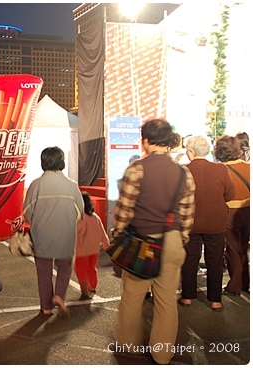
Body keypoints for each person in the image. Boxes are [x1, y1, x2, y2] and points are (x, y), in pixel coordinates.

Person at [111, 118, 195, 365]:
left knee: (132, 298)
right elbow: (188, 215)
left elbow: (124, 212)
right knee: (166, 301)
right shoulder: (184, 173)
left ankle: (128, 347)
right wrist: (180, 239)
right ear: (169, 142)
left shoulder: (136, 169)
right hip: (171, 242)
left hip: (140, 243)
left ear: (145, 141)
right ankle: (161, 353)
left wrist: (119, 235)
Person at [23, 146, 84, 316]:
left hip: (42, 236)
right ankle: (59, 296)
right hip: (66, 235)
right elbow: (80, 211)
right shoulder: (71, 185)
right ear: (62, 161)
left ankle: (46, 307)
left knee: (44, 271)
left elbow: (27, 211)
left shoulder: (36, 185)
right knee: (65, 267)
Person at [179, 136, 235, 311]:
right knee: (215, 260)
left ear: (190, 152)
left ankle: (188, 296)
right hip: (215, 223)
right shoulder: (221, 170)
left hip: (190, 223)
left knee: (189, 258)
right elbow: (230, 194)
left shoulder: (183, 170)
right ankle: (215, 300)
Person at [214, 135, 250, 296]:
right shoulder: (248, 166)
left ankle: (235, 286)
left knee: (233, 249)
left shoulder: (220, 170)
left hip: (230, 212)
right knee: (243, 247)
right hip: (248, 210)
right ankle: (245, 282)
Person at [75, 191, 110, 300]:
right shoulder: (95, 217)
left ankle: (85, 289)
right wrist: (106, 243)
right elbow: (102, 232)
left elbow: (75, 233)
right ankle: (92, 286)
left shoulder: (80, 218)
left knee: (81, 268)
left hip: (82, 250)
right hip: (94, 249)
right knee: (91, 268)